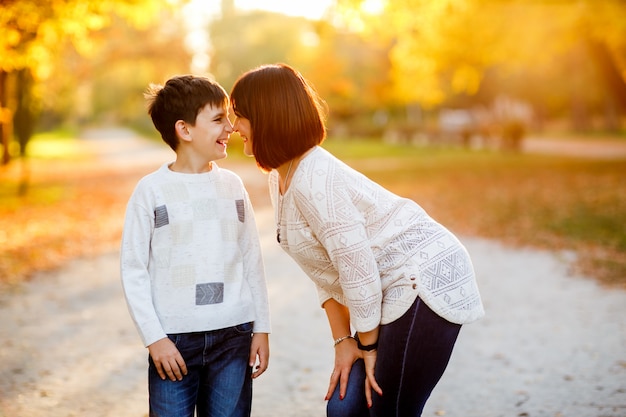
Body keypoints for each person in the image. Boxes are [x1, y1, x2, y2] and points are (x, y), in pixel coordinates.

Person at [229, 63, 484, 417]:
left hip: (421, 280)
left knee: (386, 408)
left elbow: (357, 269)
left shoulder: (314, 181)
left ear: (267, 116)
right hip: (387, 290)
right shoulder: (282, 178)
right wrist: (343, 341)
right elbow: (323, 268)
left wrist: (370, 346)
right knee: (343, 409)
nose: (233, 126)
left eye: (239, 116)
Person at [120, 75, 271, 417]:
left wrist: (261, 325)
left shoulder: (232, 186)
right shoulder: (151, 191)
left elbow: (251, 258)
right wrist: (154, 338)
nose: (230, 127)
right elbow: (133, 269)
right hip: (172, 342)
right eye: (218, 120)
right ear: (184, 130)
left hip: (233, 337)